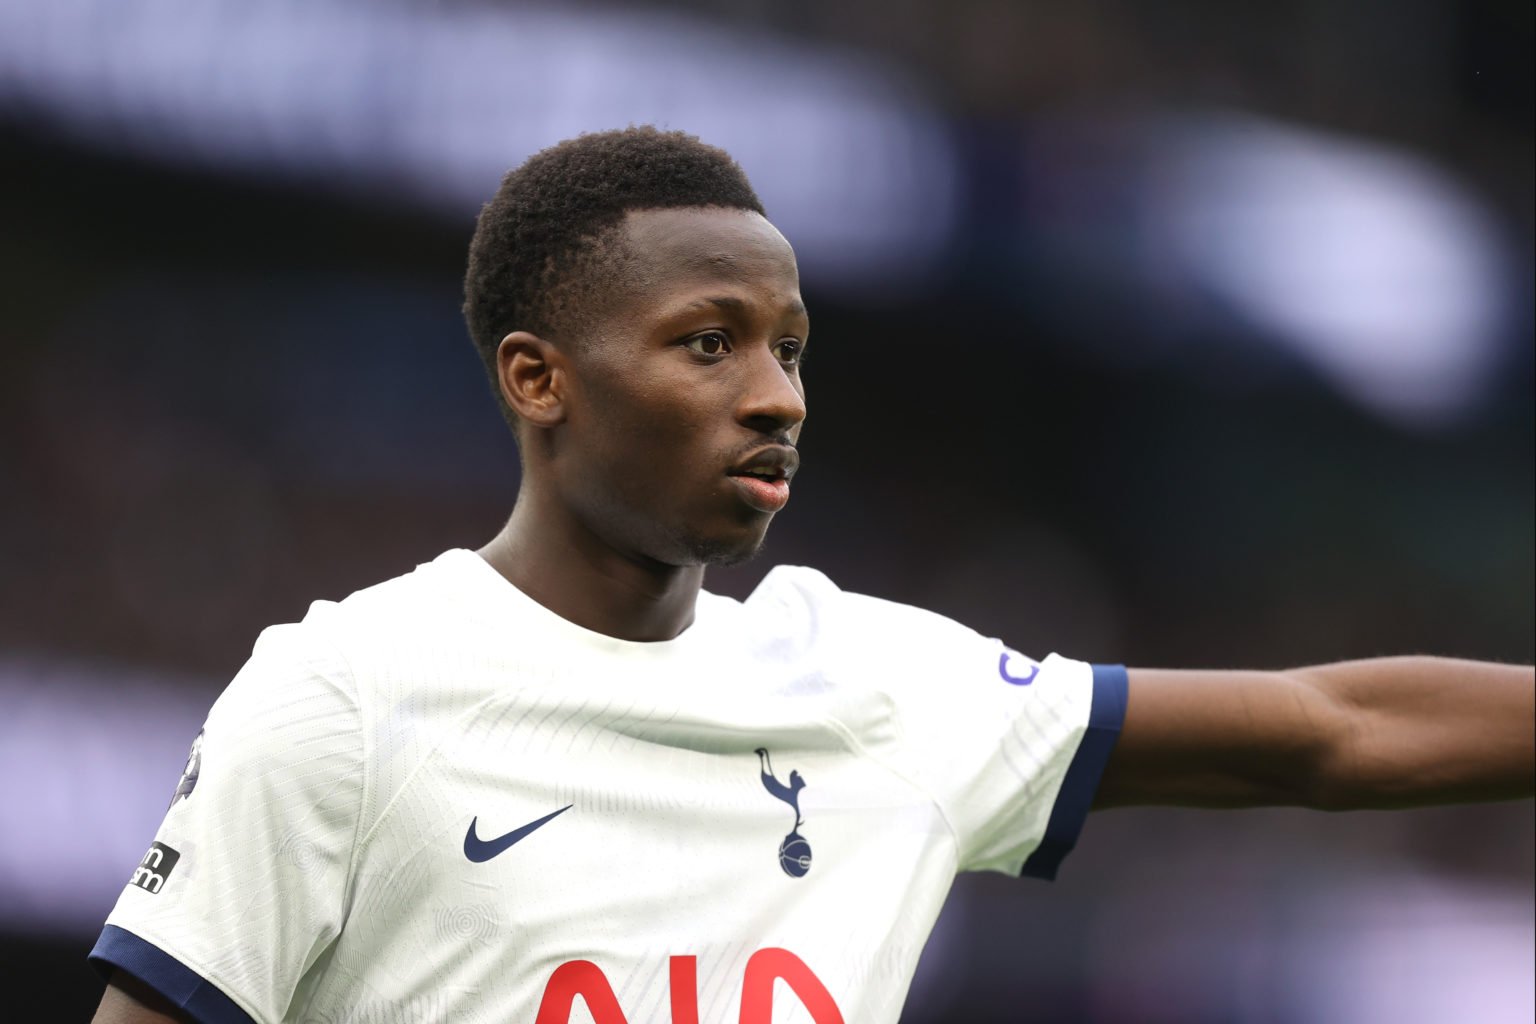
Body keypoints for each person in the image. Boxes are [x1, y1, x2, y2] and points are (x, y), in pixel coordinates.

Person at [89, 127, 1534, 1024]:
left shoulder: (880, 688)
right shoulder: (343, 697)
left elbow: (1327, 734)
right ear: (540, 379)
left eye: (789, 347)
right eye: (709, 342)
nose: (776, 394)